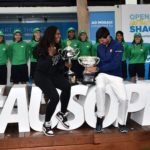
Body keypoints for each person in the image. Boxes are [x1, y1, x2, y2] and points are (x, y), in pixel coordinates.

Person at [89, 27, 128, 133]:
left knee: (124, 99)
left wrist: (98, 68)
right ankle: (100, 117)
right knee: (100, 88)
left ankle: (121, 122)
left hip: (116, 75)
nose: (101, 43)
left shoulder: (118, 45)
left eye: (102, 40)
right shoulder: (99, 47)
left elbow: (115, 64)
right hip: (103, 74)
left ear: (108, 36)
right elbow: (99, 61)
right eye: (99, 41)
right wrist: (91, 67)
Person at [34, 26, 71, 136]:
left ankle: (62, 113)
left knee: (67, 86)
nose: (59, 36)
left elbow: (58, 66)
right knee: (54, 97)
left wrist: (65, 65)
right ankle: (46, 123)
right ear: (51, 35)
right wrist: (50, 55)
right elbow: (42, 66)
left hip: (53, 75)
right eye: (57, 34)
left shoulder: (58, 47)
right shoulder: (40, 48)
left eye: (60, 34)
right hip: (41, 75)